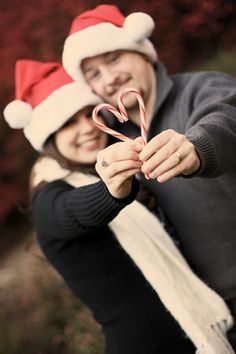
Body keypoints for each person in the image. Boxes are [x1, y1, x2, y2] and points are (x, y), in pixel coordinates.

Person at [4, 59, 236, 354]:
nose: (87, 128)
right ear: (49, 137)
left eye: (90, 114)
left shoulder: (129, 160)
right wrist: (110, 191)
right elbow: (75, 211)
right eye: (68, 123)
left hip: (203, 334)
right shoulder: (48, 196)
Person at [61, 3, 236, 349]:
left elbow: (226, 120)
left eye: (113, 58)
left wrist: (197, 148)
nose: (109, 78)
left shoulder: (201, 88)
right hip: (211, 318)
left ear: (142, 52)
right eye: (93, 73)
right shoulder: (116, 140)